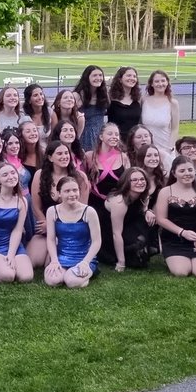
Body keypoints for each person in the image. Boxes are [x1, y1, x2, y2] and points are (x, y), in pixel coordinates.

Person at [28, 140, 90, 271]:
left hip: (69, 229)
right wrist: (46, 224)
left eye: (66, 153)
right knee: (34, 261)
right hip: (45, 226)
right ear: (50, 157)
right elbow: (36, 206)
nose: (64, 156)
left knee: (50, 264)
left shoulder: (80, 177)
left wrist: (54, 228)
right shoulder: (40, 175)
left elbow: (82, 210)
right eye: (59, 153)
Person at [155, 155, 196, 278]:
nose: (187, 174)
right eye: (182, 171)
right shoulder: (166, 192)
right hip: (174, 240)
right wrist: (182, 232)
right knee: (181, 272)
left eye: (190, 170)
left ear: (195, 171)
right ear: (174, 173)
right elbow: (161, 219)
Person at [43, 175, 102, 288]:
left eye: (75, 190)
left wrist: (85, 262)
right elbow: (50, 239)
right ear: (59, 193)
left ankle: (82, 274)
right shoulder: (52, 211)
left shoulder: (89, 211)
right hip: (62, 257)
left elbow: (96, 241)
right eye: (67, 191)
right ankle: (66, 273)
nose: (72, 194)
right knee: (52, 281)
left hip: (84, 258)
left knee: (71, 282)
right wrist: (54, 260)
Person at [85, 122, 129, 266]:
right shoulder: (90, 156)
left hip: (116, 200)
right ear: (101, 136)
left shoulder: (123, 157)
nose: (114, 136)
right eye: (110, 133)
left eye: (116, 134)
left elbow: (128, 181)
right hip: (95, 200)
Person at [106, 167, 158, 272]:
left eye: (142, 179)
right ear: (126, 182)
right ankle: (128, 252)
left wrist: (148, 211)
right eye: (134, 180)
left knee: (151, 219)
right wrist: (121, 263)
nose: (140, 183)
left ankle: (146, 246)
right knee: (137, 262)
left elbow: (143, 209)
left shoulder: (144, 194)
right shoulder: (119, 202)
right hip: (110, 231)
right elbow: (116, 233)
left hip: (129, 223)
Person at [143, 70, 179, 161]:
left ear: (167, 82)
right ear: (151, 84)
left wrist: (169, 148)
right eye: (157, 81)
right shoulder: (143, 100)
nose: (160, 84)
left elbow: (175, 128)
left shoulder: (172, 103)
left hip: (165, 147)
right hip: (146, 148)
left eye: (163, 81)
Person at [73, 65, 109, 150]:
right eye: (94, 75)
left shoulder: (104, 95)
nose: (98, 78)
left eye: (100, 75)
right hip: (84, 136)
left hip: (100, 136)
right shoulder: (77, 96)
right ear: (87, 77)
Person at [106, 67, 142, 144]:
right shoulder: (110, 97)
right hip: (115, 141)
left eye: (134, 76)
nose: (132, 78)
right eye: (128, 75)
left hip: (134, 142)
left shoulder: (138, 98)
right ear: (120, 79)